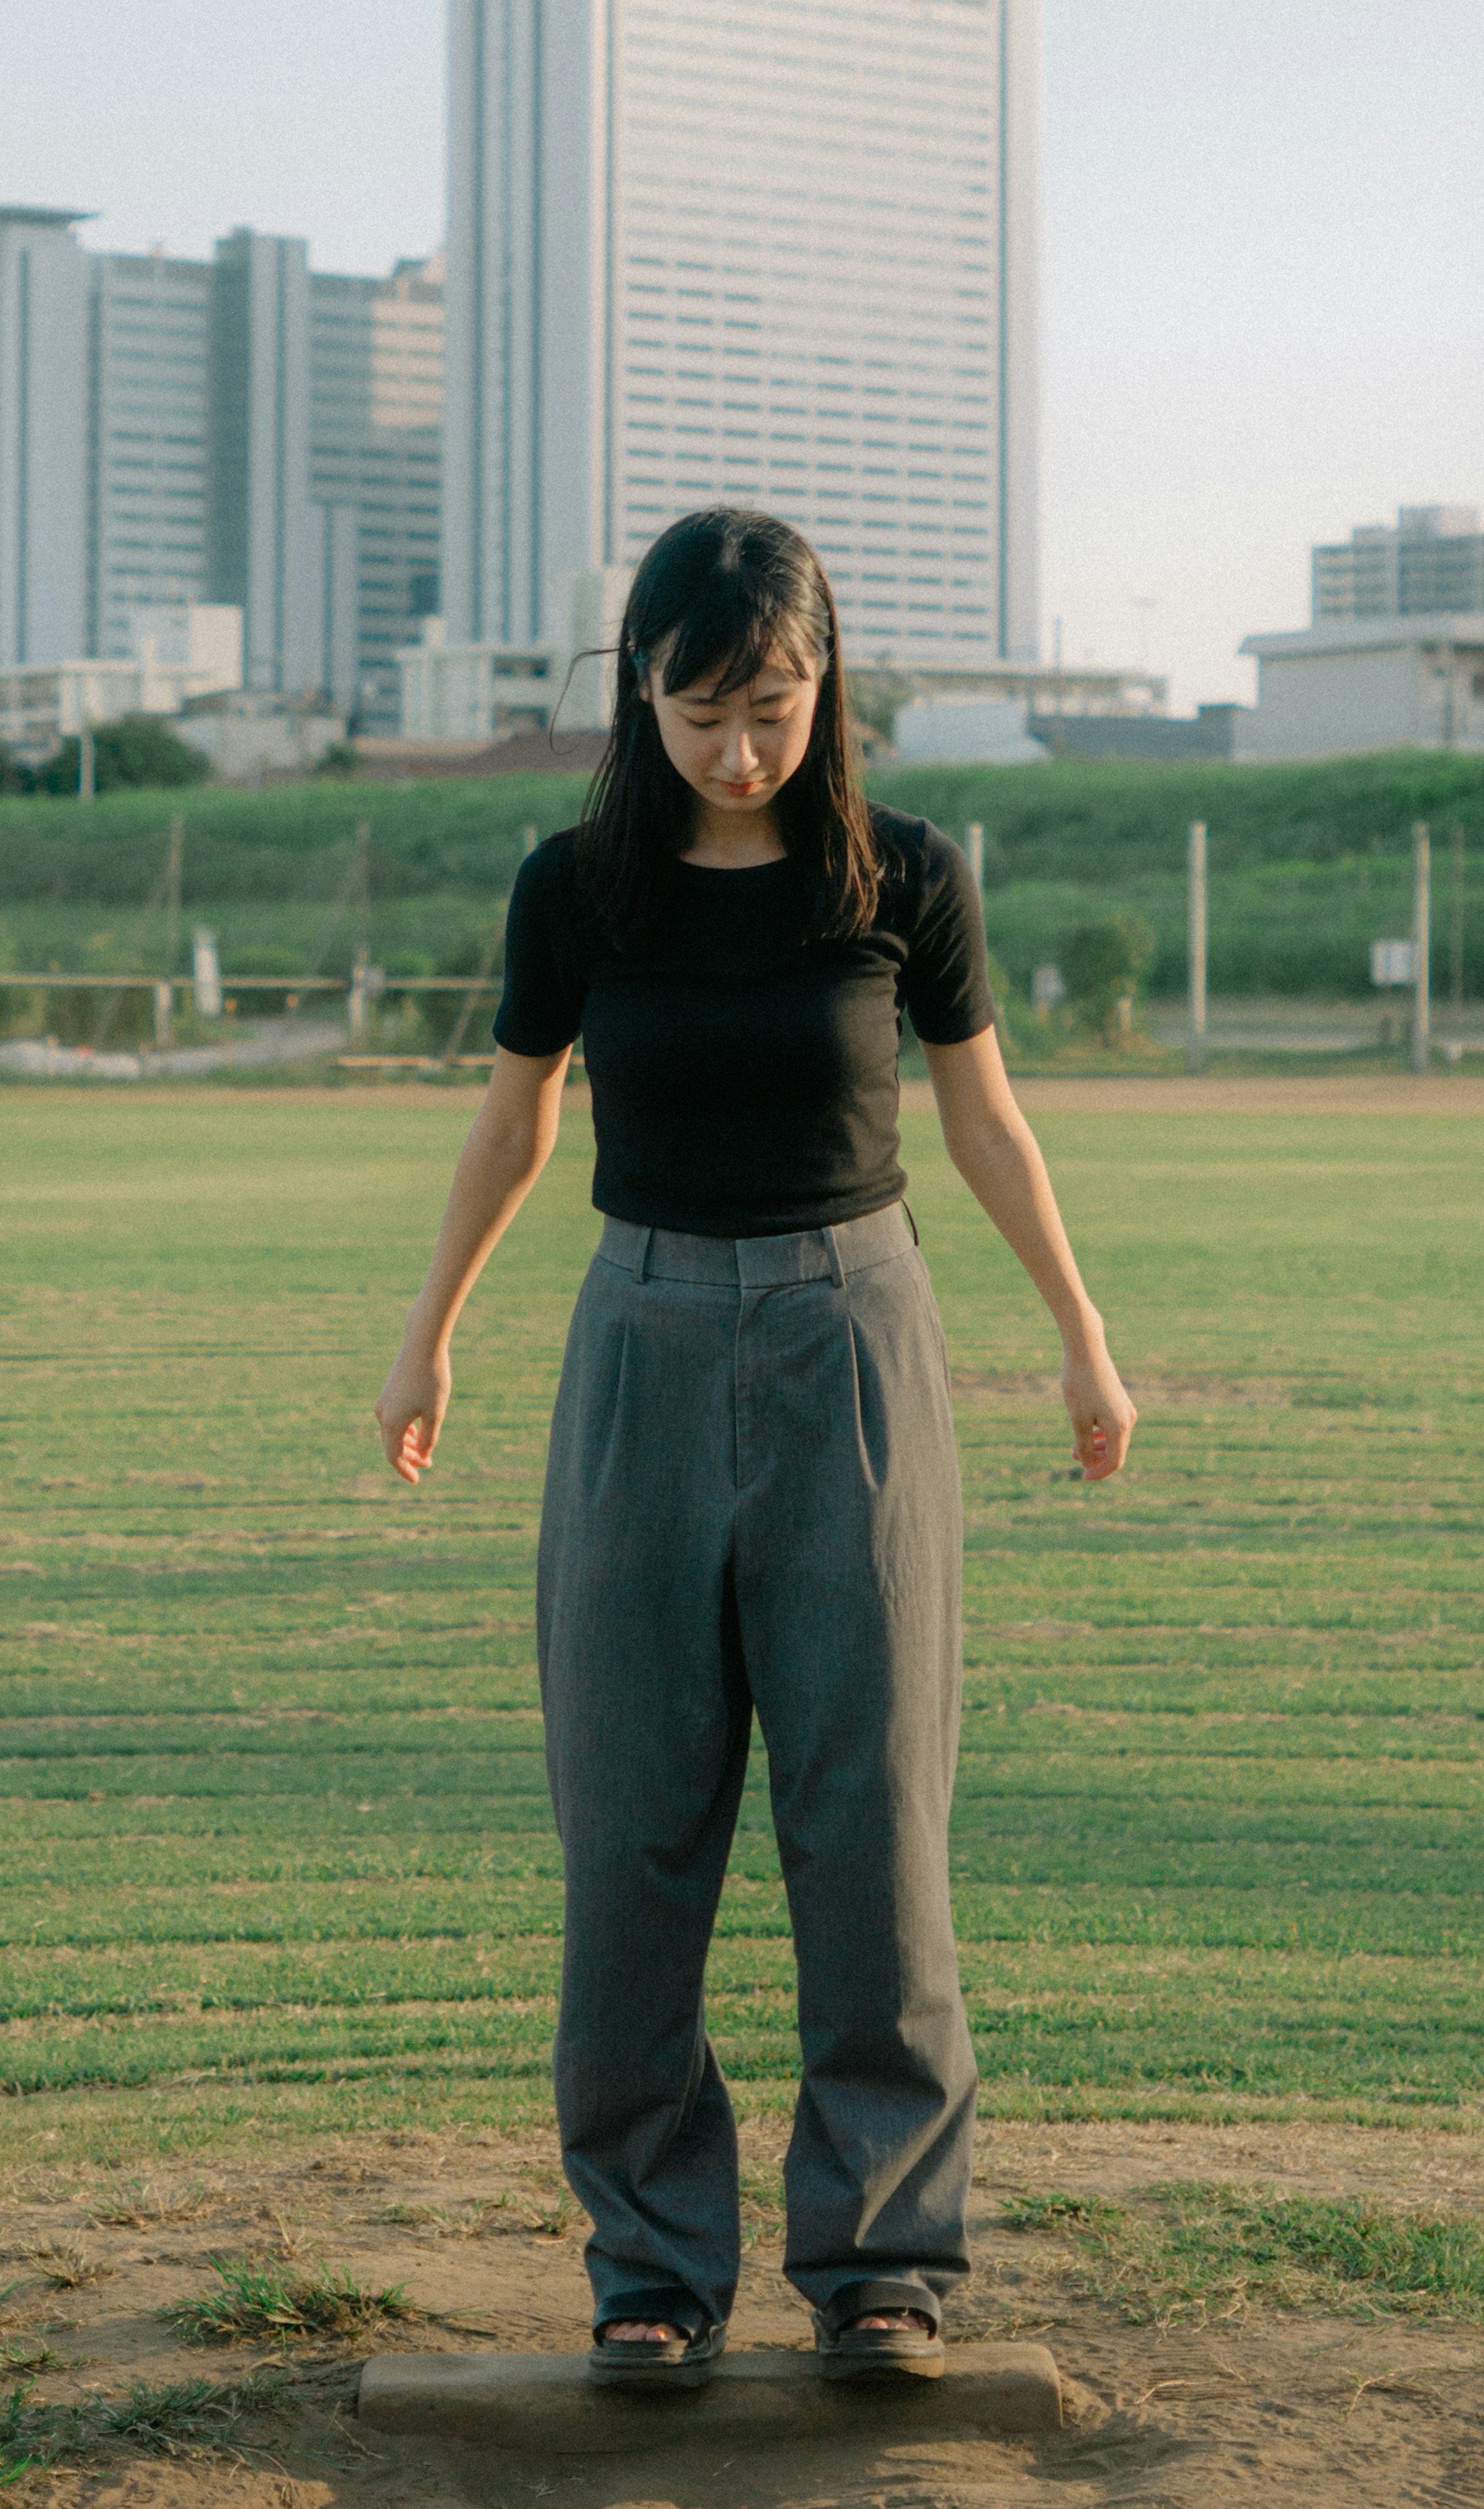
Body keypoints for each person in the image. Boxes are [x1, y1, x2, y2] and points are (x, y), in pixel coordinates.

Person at [374, 507, 1134, 2387]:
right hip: (634, 1342)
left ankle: (881, 2265)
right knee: (632, 1819)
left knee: (870, 1814)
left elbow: (987, 1126)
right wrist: (429, 1336)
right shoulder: (578, 889)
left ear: (826, 687)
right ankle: (650, 2270)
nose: (740, 748)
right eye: (704, 709)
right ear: (641, 692)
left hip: (854, 1340)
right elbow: (513, 1129)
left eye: (775, 707)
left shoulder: (903, 876)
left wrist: (1083, 1335)